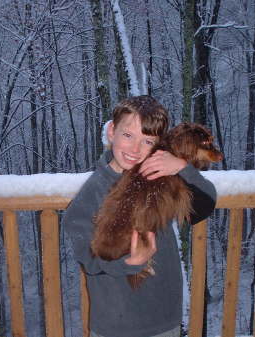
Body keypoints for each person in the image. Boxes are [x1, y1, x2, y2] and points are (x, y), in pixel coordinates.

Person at [62, 95, 217, 337]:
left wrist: (181, 168)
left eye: (147, 141)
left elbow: (204, 206)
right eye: (128, 135)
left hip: (166, 317)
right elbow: (88, 259)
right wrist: (129, 264)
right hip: (116, 325)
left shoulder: (159, 178)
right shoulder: (92, 193)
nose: (135, 149)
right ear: (112, 131)